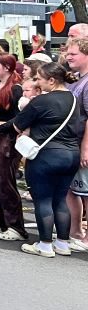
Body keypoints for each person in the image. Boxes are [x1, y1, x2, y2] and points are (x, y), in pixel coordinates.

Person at [11, 63, 85, 257]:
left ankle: (44, 245)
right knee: (60, 199)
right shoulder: (74, 98)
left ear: (51, 80)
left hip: (46, 155)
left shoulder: (41, 101)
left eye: (39, 79)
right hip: (71, 154)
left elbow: (18, 126)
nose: (38, 82)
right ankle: (62, 243)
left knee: (43, 200)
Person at [0, 54, 28, 241]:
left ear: (7, 68)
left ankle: (16, 226)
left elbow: (19, 118)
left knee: (6, 182)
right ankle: (1, 220)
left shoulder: (16, 89)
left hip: (9, 139)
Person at [60, 38, 88, 251]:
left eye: (73, 53)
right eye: (68, 53)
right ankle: (75, 231)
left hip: (82, 145)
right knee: (72, 190)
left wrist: (85, 147)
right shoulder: (76, 79)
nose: (68, 57)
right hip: (72, 143)